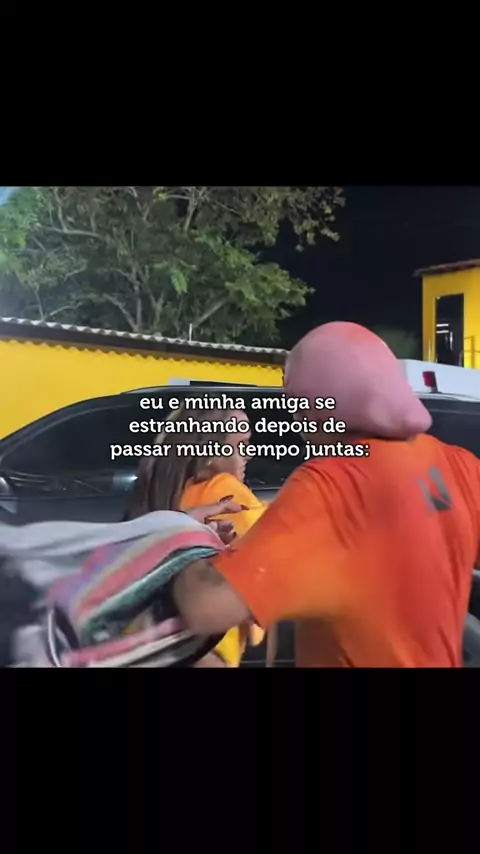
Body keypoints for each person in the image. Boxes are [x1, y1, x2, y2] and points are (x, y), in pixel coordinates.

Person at [170, 322, 480, 667]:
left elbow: (207, 607)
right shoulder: (461, 466)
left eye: (295, 404)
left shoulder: (330, 485)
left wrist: (178, 543)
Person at [125, 404, 266, 667]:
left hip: (153, 646)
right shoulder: (225, 491)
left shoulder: (160, 496)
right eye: (242, 445)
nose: (250, 454)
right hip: (208, 650)